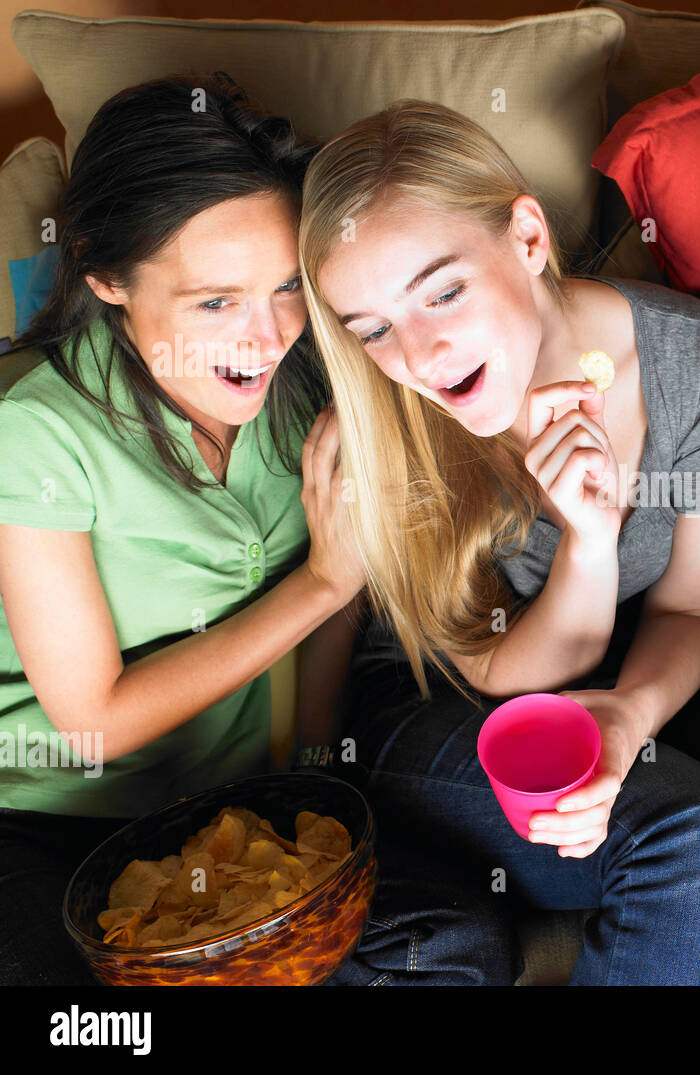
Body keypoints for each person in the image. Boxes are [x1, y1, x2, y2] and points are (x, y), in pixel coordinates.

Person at [297, 99, 700, 985]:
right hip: (441, 715)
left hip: (626, 683)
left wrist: (632, 715)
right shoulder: (381, 426)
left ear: (526, 237)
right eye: (371, 327)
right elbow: (503, 672)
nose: (420, 353)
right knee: (696, 832)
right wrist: (589, 546)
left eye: (443, 290)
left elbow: (689, 611)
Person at [0, 74, 417, 986]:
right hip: (49, 821)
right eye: (214, 301)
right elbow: (92, 728)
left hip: (231, 812)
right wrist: (323, 586)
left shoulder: (307, 387)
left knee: (453, 949)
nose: (266, 337)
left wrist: (311, 772)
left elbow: (336, 587)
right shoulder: (36, 434)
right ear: (106, 276)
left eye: (284, 288)